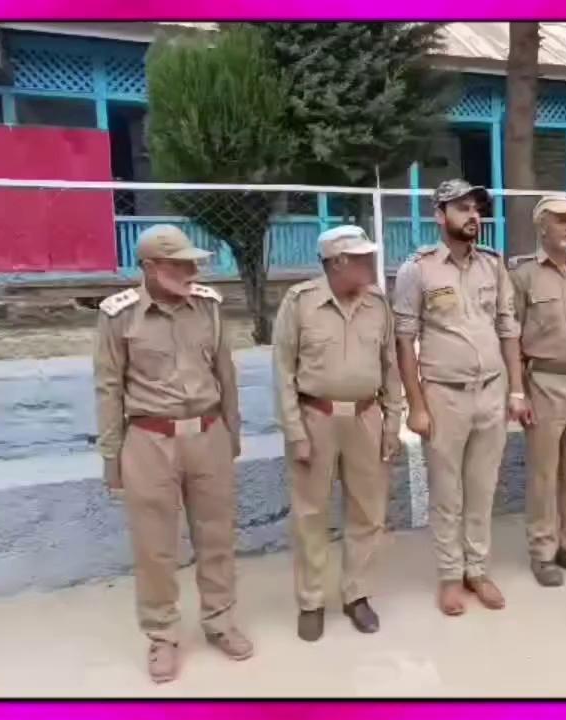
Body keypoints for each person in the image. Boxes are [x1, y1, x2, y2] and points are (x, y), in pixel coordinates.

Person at [94, 224, 250, 684]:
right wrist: (112, 457)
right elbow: (108, 389)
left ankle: (220, 621)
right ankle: (162, 636)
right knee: (155, 547)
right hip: (148, 439)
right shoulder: (119, 316)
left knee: (217, 535)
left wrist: (231, 435)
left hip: (207, 433)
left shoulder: (208, 307)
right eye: (178, 263)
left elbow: (226, 374)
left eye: (191, 263)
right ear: (150, 267)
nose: (189, 270)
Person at [392, 179, 529, 616]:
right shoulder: (419, 269)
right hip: (443, 396)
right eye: (462, 208)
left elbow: (508, 328)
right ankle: (450, 576)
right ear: (440, 215)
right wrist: (415, 405)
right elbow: (404, 339)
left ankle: (477, 569)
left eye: (477, 209)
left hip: (490, 391)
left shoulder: (493, 264)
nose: (473, 216)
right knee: (448, 492)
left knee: (482, 488)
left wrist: (517, 389)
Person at [271, 225, 404, 642]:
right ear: (337, 262)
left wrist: (392, 422)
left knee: (368, 512)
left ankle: (357, 595)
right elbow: (283, 372)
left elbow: (390, 367)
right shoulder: (300, 303)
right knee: (312, 514)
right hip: (316, 418)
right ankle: (311, 601)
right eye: (362, 257)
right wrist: (295, 431)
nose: (371, 263)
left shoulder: (377, 302)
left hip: (366, 417)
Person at [509, 195, 566, 587]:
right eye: (562, 220)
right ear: (541, 226)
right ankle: (543, 551)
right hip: (544, 380)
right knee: (545, 475)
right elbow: (510, 335)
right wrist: (517, 391)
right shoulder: (523, 276)